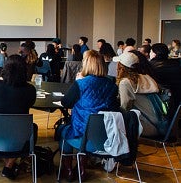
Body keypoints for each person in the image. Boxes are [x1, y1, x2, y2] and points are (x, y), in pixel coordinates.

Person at [58, 50, 119, 181]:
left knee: (63, 131)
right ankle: (81, 169)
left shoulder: (81, 84)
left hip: (82, 135)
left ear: (86, 65)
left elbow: (66, 102)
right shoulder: (112, 85)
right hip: (104, 137)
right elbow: (114, 108)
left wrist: (77, 81)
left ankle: (68, 170)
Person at [114, 51, 160, 137]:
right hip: (159, 124)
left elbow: (125, 107)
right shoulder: (147, 77)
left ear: (121, 66)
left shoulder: (126, 83)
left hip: (144, 126)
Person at [149, 43, 181, 121]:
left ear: (154, 53)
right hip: (177, 99)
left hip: (161, 101)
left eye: (151, 51)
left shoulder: (150, 67)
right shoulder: (176, 64)